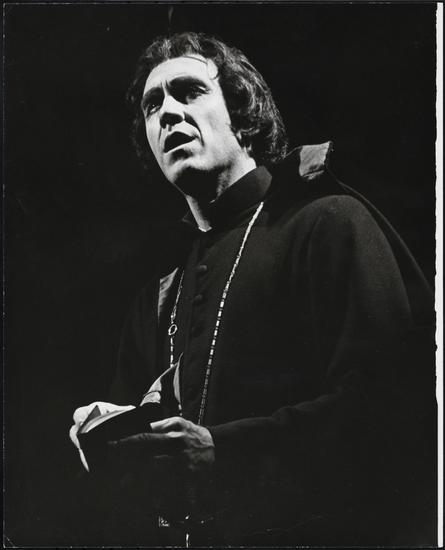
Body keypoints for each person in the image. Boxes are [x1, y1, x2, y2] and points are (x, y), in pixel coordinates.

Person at [69, 32, 436, 546]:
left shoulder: (327, 224)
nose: (168, 113)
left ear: (242, 117)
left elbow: (392, 409)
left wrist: (225, 454)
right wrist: (108, 443)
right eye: (153, 105)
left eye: (189, 91)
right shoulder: (157, 297)